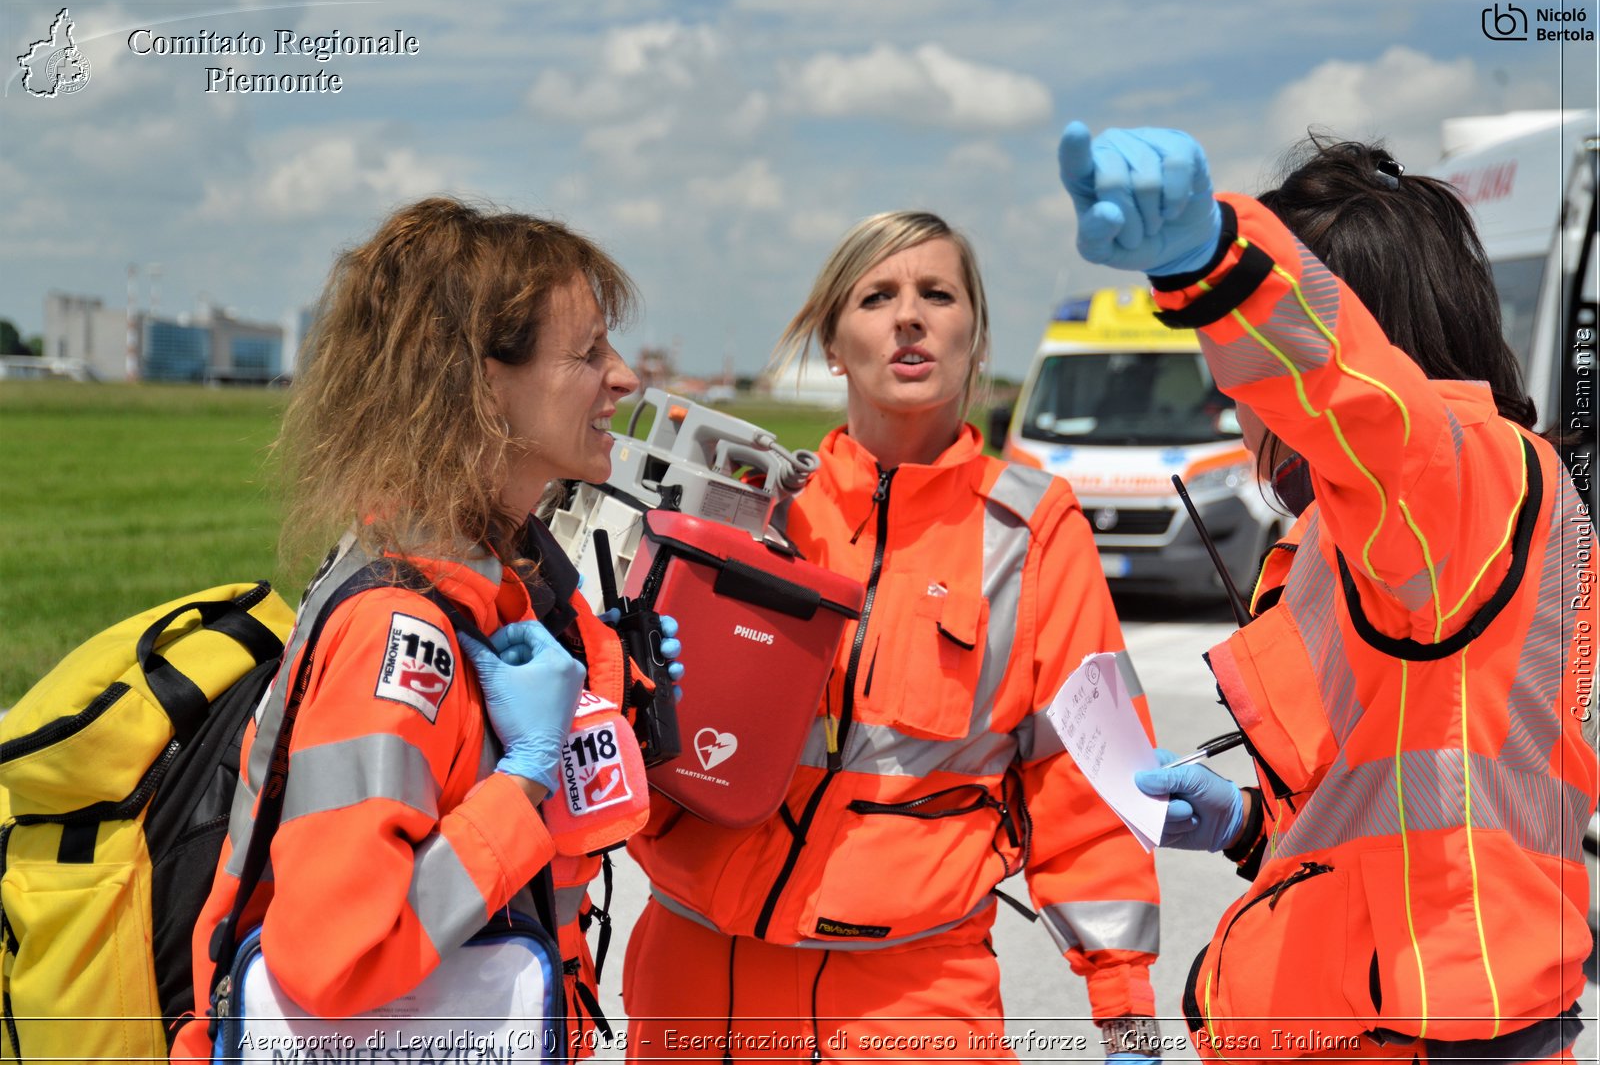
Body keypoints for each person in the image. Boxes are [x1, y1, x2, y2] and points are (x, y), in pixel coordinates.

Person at [1056, 123, 1598, 1061]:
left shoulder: (1456, 484)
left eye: (1250, 383)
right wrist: (1253, 827)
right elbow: (1431, 806)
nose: (1238, 409)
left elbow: (1345, 391)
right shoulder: (1451, 514)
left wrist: (1215, 265)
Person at [622, 210, 1164, 1061]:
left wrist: (1124, 1008)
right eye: (877, 296)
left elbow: (1086, 779)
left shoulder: (1030, 531)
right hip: (699, 976)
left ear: (974, 336)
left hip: (915, 995)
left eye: (937, 294)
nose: (909, 316)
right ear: (834, 343)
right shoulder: (752, 508)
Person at [171, 197, 676, 1060]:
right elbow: (334, 962)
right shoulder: (401, 632)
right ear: (482, 383)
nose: (624, 377)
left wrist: (625, 689)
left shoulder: (502, 586)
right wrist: (521, 784)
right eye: (588, 351)